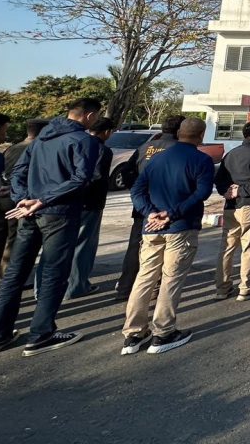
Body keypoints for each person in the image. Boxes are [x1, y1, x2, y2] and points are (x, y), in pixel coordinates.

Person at [0, 98, 102, 356]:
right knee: (54, 272)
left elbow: (17, 173)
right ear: (89, 116)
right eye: (96, 116)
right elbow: (81, 178)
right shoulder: (84, 141)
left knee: (15, 273)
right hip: (58, 213)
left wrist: (24, 200)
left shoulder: (41, 139)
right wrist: (42, 200)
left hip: (29, 212)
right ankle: (41, 334)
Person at [121, 118, 215, 356]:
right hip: (181, 227)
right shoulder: (202, 160)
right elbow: (202, 193)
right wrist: (172, 214)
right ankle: (163, 332)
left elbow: (137, 190)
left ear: (179, 133)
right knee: (171, 279)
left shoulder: (157, 158)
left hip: (151, 228)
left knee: (145, 278)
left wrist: (150, 212)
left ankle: (133, 333)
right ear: (201, 135)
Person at [115, 115, 185, 301]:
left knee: (135, 247)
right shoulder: (179, 150)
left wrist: (137, 192)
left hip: (143, 207)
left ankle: (125, 288)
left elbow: (126, 171)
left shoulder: (146, 147)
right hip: (166, 209)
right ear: (180, 130)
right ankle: (154, 288)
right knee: (162, 251)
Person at [214, 121, 250, 301]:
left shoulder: (230, 154)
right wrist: (241, 191)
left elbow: (219, 178)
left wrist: (226, 191)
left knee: (227, 247)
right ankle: (247, 287)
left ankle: (222, 288)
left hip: (230, 206)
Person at [64, 116, 115, 299]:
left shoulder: (75, 143)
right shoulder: (102, 149)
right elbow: (96, 176)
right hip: (90, 203)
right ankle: (76, 286)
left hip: (67, 201)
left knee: (63, 244)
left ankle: (52, 286)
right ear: (107, 132)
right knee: (84, 245)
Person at [0, 117, 43, 283]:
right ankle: (6, 279)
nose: (6, 134)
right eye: (4, 130)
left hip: (0, 199)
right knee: (13, 242)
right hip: (18, 201)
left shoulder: (12, 148)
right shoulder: (38, 148)